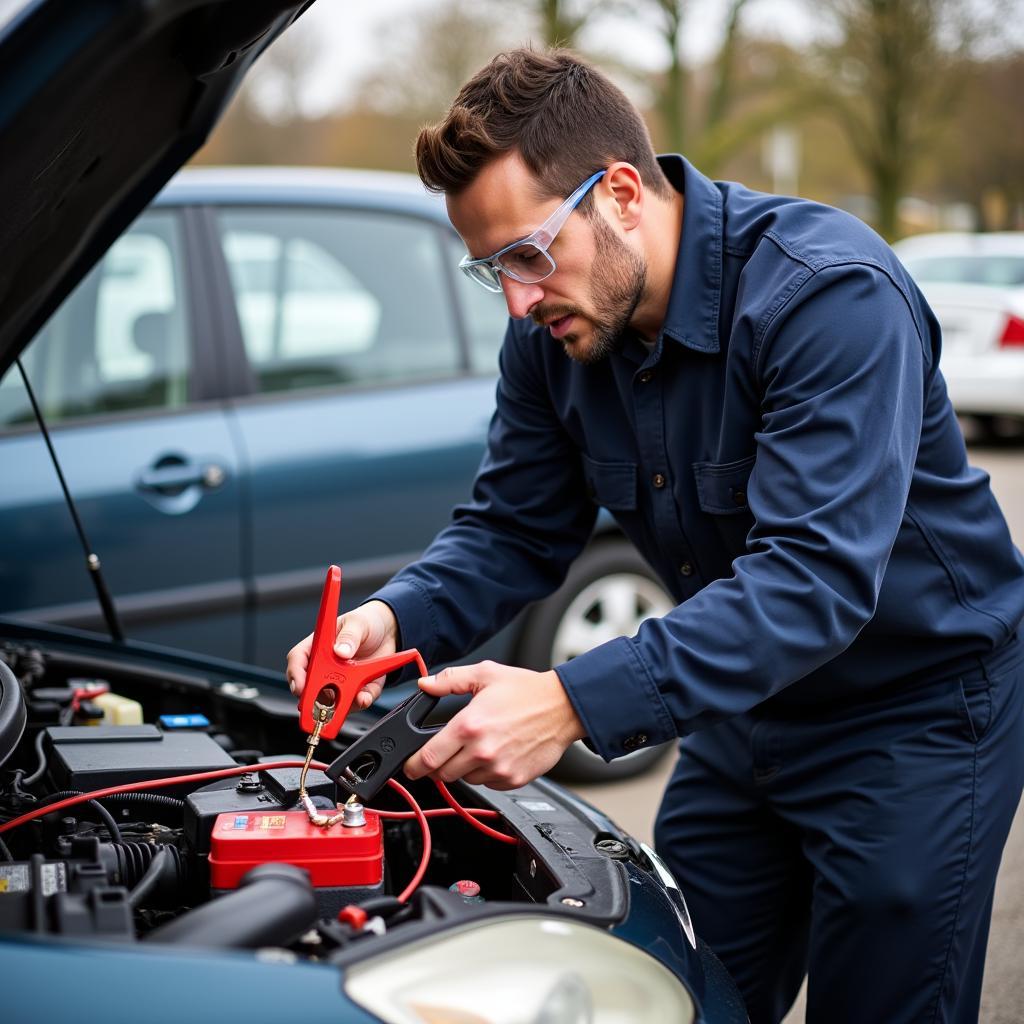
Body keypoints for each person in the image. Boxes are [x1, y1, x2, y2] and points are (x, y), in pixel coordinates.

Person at [287, 48, 1024, 1024]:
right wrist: (389, 615)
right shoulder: (554, 330)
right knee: (660, 988)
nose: (514, 298)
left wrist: (568, 702)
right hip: (742, 705)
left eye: (529, 253)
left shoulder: (827, 297)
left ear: (622, 193)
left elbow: (810, 580)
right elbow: (512, 526)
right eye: (491, 267)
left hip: (915, 710)